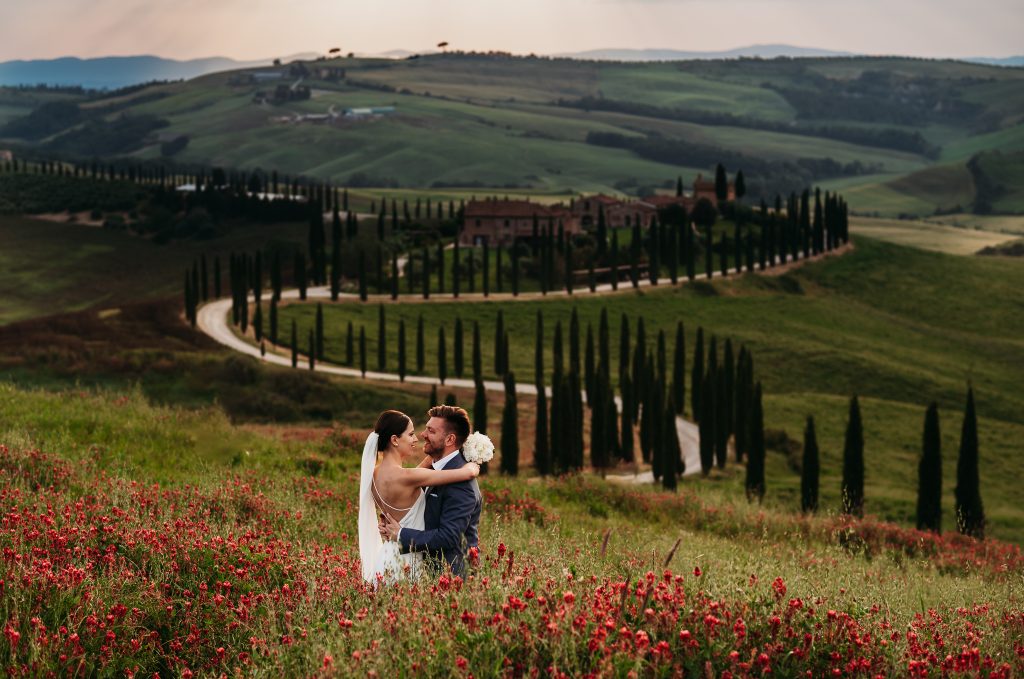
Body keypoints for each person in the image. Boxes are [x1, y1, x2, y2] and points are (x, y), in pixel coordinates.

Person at [358, 409, 479, 584]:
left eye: (430, 430)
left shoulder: (375, 475)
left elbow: (420, 471)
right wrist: (472, 466)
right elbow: (464, 474)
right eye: (411, 434)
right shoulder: (409, 477)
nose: (419, 437)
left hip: (387, 556)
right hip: (408, 561)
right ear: (394, 440)